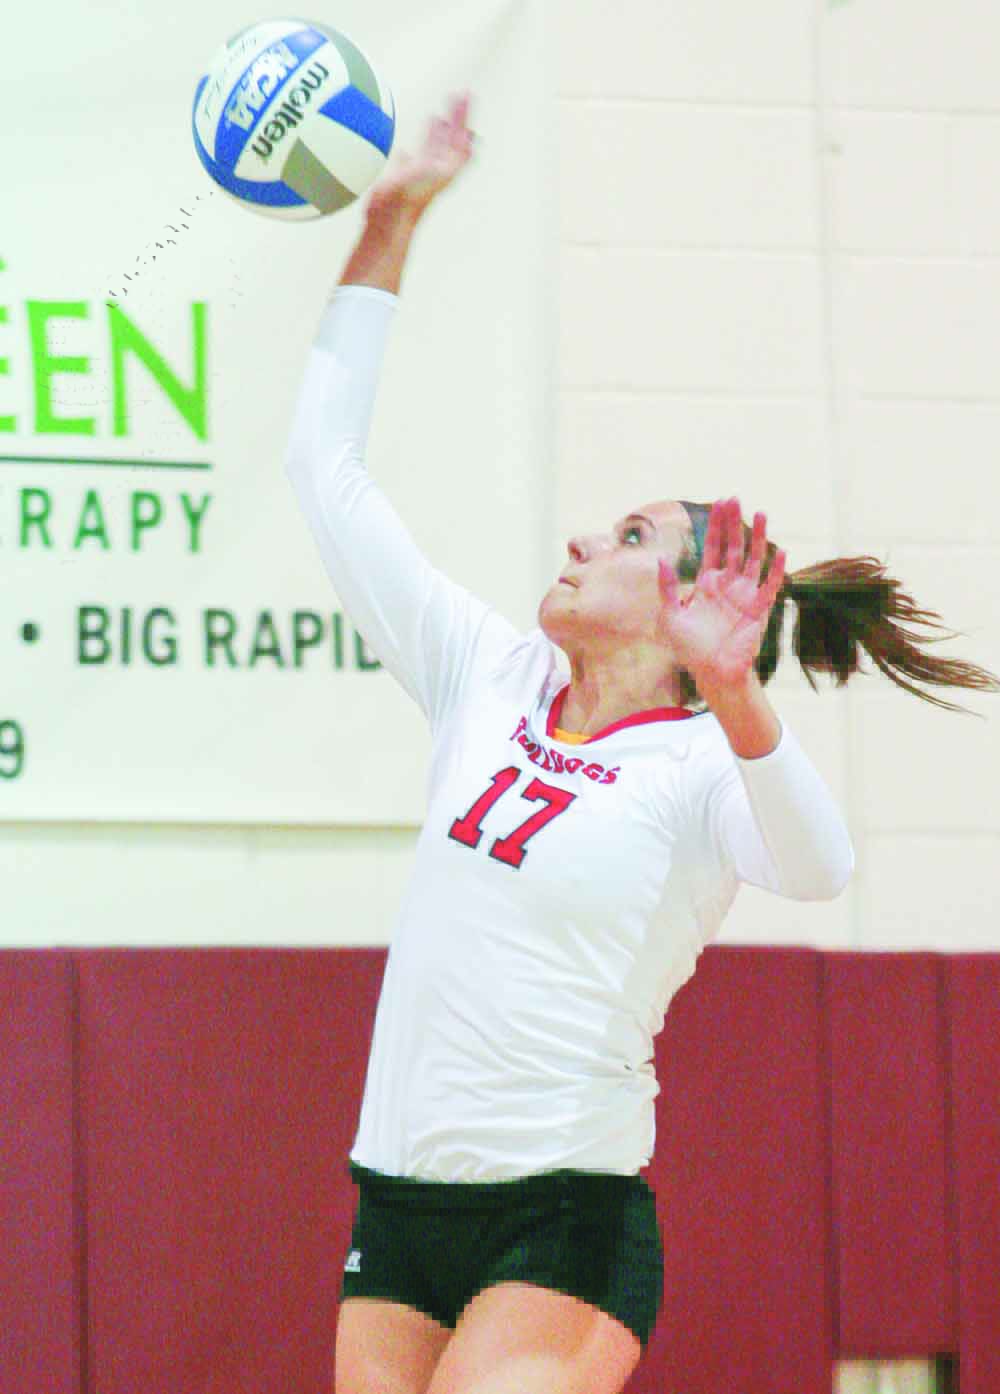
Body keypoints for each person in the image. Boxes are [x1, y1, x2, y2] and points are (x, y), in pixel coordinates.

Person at [284, 94, 1000, 1394]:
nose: (581, 541)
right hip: (395, 1206)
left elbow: (821, 865)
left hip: (562, 1220)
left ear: (688, 610)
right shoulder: (487, 673)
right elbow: (324, 471)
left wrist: (735, 694)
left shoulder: (700, 766)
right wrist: (390, 220)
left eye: (626, 538)